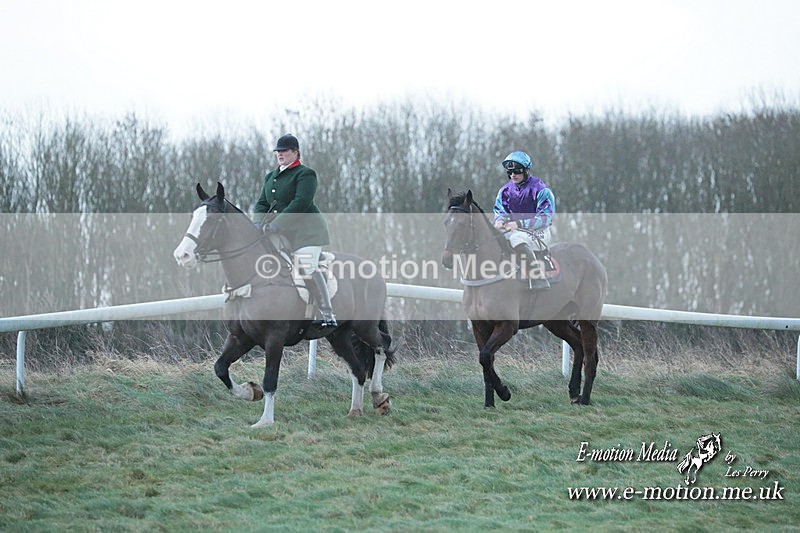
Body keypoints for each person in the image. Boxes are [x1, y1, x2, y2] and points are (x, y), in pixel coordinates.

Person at [254, 133, 337, 327]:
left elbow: (301, 202)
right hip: (280, 233)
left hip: (307, 233)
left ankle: (327, 313)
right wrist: (257, 223)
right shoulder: (271, 177)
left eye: (284, 151)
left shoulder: (305, 174)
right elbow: (262, 203)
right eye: (278, 151)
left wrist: (277, 224)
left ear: (295, 152)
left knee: (306, 266)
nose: (279, 154)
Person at [492, 150, 555, 289]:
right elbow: (500, 210)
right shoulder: (505, 191)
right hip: (515, 230)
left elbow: (546, 217)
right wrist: (500, 220)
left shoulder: (541, 189)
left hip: (539, 232)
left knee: (516, 239)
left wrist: (520, 223)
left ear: (526, 171)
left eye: (517, 171)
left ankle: (538, 278)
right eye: (510, 172)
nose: (513, 175)